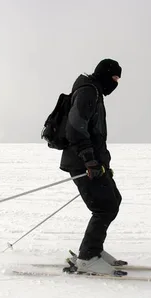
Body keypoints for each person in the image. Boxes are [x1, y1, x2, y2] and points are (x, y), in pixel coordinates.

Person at [59, 59, 126, 276]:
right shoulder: (88, 92)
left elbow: (95, 133)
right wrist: (89, 161)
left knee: (113, 200)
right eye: (114, 78)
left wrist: (104, 163)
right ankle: (87, 258)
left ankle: (94, 250)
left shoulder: (94, 91)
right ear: (105, 74)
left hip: (93, 161)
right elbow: (76, 129)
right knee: (104, 207)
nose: (116, 84)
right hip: (82, 161)